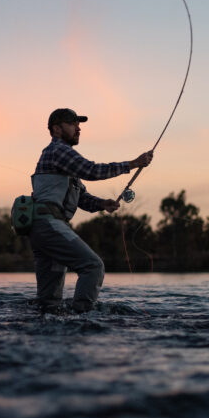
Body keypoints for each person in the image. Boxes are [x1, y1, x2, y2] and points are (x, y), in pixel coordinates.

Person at [29, 108, 153, 313]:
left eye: (79, 124)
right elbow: (92, 171)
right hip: (49, 225)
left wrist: (102, 204)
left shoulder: (62, 160)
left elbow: (83, 198)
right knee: (93, 266)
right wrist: (133, 164)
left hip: (43, 229)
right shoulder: (58, 150)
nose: (78, 128)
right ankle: (83, 318)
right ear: (57, 129)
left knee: (49, 303)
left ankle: (52, 330)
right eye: (73, 124)